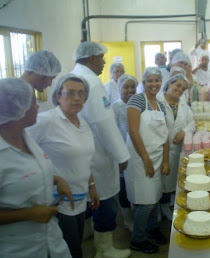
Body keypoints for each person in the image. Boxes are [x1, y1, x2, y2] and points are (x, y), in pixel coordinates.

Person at [27, 73, 99, 258]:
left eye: (81, 93)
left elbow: (84, 159)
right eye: (70, 93)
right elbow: (21, 153)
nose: (77, 98)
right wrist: (52, 179)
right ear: (58, 96)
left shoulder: (82, 123)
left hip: (80, 197)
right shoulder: (46, 121)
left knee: (77, 244)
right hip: (57, 201)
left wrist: (92, 185)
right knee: (70, 249)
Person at [0, 78, 73, 258]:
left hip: (51, 238)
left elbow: (34, 169)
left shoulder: (25, 137)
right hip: (17, 247)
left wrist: (57, 179)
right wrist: (28, 214)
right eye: (33, 101)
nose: (38, 105)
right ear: (17, 110)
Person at [72, 41, 131, 258]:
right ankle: (104, 249)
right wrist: (121, 155)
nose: (105, 62)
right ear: (90, 58)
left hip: (82, 153)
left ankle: (88, 238)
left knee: (87, 200)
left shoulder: (74, 77)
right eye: (101, 57)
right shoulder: (91, 82)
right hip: (97, 154)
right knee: (104, 200)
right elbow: (102, 123)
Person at [125, 67, 170, 254]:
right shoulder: (137, 100)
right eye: (149, 81)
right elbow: (133, 131)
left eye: (157, 80)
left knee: (156, 196)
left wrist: (166, 160)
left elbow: (165, 134)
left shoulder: (159, 104)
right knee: (146, 201)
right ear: (143, 83)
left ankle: (152, 228)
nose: (154, 84)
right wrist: (146, 160)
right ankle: (138, 238)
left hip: (158, 156)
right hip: (140, 157)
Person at [157, 74, 195, 220]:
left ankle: (166, 206)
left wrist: (184, 132)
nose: (180, 90)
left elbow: (192, 122)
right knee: (158, 182)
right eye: (177, 85)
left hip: (176, 150)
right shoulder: (157, 101)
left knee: (171, 181)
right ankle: (158, 210)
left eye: (183, 88)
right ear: (169, 83)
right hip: (158, 150)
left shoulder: (183, 104)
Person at [111, 74, 138, 232]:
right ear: (119, 88)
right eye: (125, 87)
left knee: (134, 184)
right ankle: (127, 219)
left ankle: (135, 213)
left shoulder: (139, 104)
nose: (130, 90)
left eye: (132, 86)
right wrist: (119, 157)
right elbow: (113, 134)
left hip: (137, 152)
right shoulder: (115, 107)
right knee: (123, 188)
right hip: (122, 153)